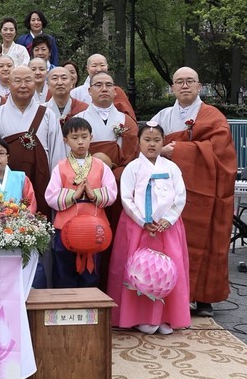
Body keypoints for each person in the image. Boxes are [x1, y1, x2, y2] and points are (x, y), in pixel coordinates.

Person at [149, 67, 237, 317]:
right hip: (170, 191)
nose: (184, 86)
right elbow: (148, 142)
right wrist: (160, 149)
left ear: (199, 87)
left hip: (204, 192)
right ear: (172, 88)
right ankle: (173, 295)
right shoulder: (163, 116)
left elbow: (221, 152)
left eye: (190, 81)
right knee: (172, 244)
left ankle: (204, 298)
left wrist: (180, 151)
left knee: (206, 243)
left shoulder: (213, 116)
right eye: (179, 82)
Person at [108, 123, 190, 335]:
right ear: (139, 142)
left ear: (163, 142)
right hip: (138, 228)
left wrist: (168, 219)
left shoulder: (172, 168)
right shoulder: (132, 168)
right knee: (140, 271)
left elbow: (180, 196)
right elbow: (126, 197)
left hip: (166, 228)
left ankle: (166, 317)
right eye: (147, 140)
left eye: (156, 140)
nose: (152, 144)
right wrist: (142, 220)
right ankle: (139, 317)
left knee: (168, 270)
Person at [0, 65, 65, 220]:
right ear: (8, 84)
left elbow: (57, 154)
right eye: (18, 81)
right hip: (4, 184)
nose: (23, 85)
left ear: (35, 83)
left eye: (28, 80)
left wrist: (56, 184)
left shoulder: (48, 115)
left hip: (40, 179)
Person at [45, 117, 118, 288]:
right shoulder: (60, 166)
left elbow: (112, 192)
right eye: (75, 137)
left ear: (91, 137)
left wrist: (93, 195)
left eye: (84, 137)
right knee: (63, 269)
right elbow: (50, 195)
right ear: (65, 140)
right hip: (66, 226)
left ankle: (89, 309)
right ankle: (66, 309)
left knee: (91, 272)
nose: (80, 142)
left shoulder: (101, 166)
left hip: (95, 225)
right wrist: (74, 194)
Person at [71, 54, 135, 119]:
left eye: (102, 65)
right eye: (94, 66)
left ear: (107, 67)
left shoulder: (116, 91)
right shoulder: (76, 92)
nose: (99, 69)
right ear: (87, 69)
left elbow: (127, 118)